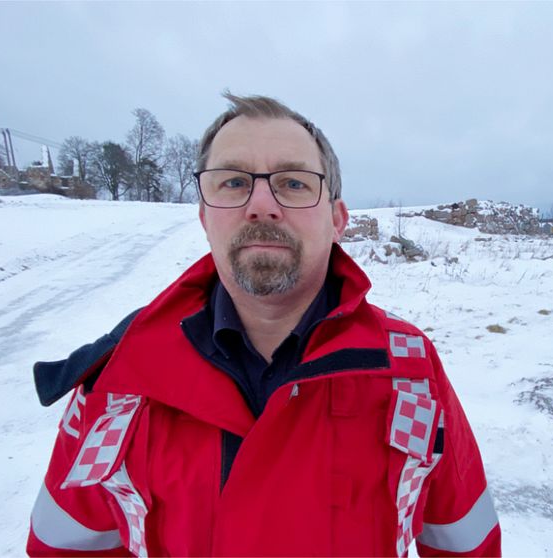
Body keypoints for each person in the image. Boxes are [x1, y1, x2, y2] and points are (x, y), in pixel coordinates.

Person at [26, 94, 501, 557]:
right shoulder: (121, 378)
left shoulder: (410, 369)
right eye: (232, 182)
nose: (261, 205)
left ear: (337, 220)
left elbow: (466, 541)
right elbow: (65, 546)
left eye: (293, 183)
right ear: (204, 216)